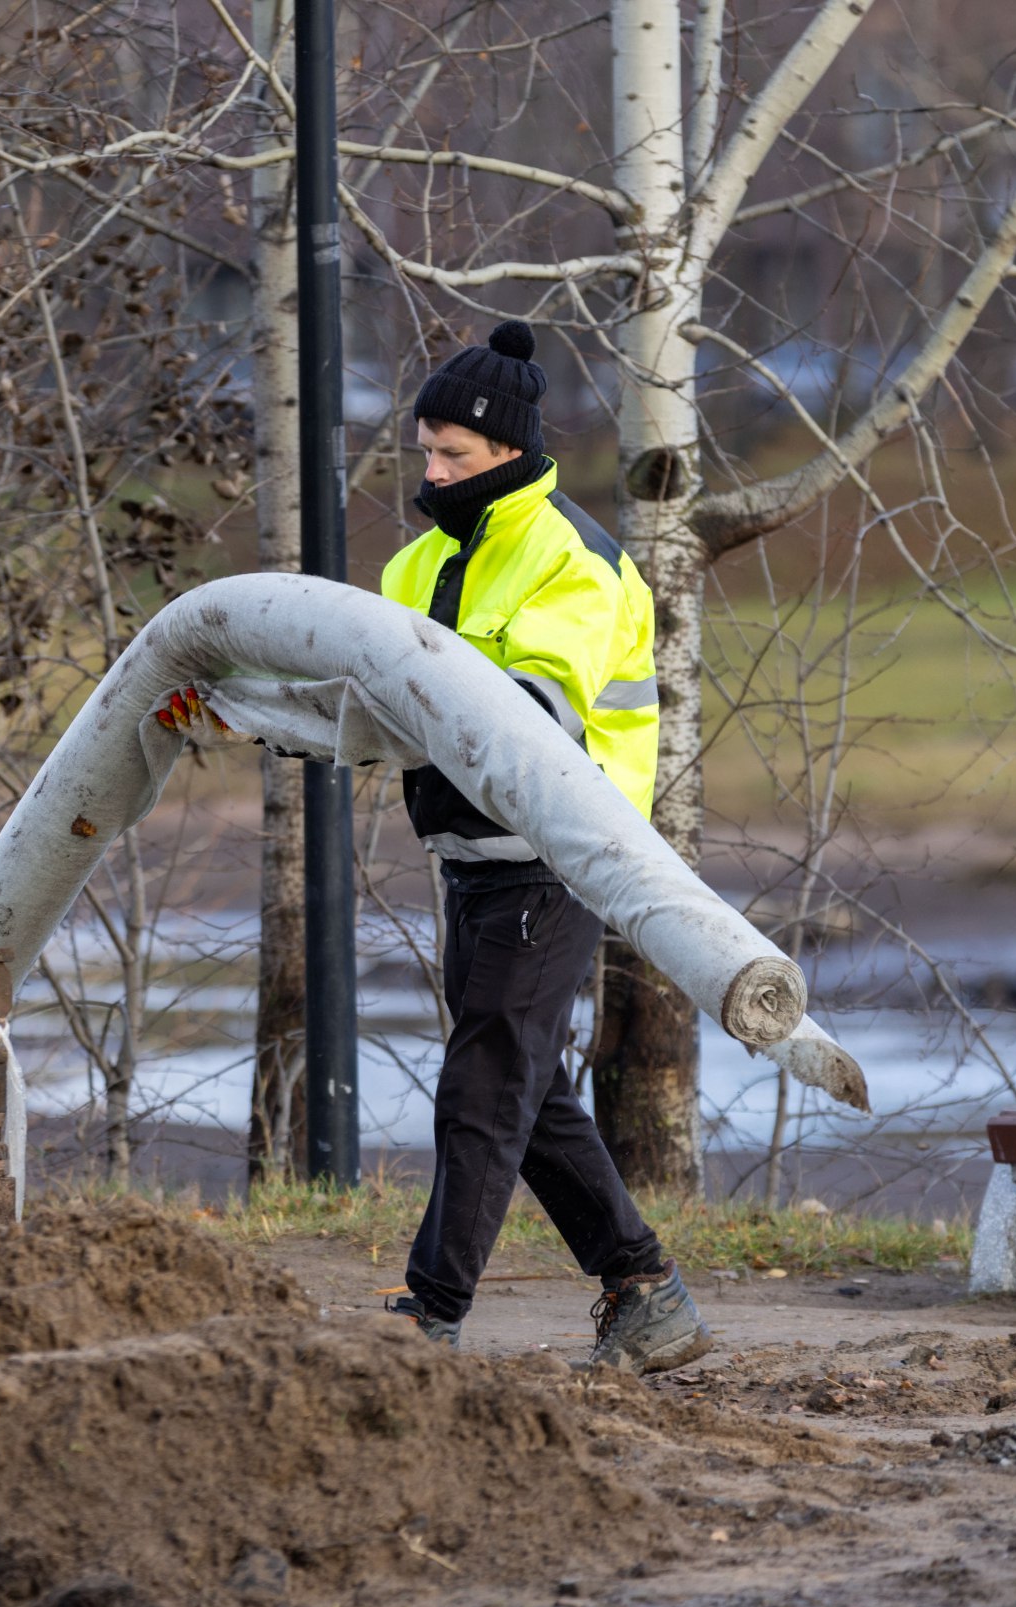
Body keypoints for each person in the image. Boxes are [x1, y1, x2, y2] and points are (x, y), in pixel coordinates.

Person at [375, 320, 711, 1374]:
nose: (431, 473)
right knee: (527, 1088)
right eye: (424, 452)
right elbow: (353, 699)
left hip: (556, 860)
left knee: (484, 1086)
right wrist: (239, 703)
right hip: (472, 864)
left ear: (509, 451)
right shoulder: (419, 562)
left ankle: (428, 1316)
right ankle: (645, 1288)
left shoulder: (573, 561)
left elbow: (531, 713)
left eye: (452, 457)